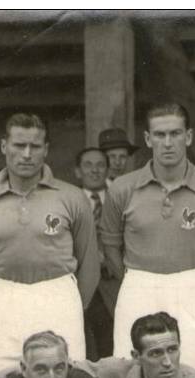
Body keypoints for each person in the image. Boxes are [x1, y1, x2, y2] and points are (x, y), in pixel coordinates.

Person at [101, 103, 195, 378]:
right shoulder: (123, 188)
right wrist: (134, 278)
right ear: (148, 139)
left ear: (188, 137)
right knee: (131, 370)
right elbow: (111, 246)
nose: (167, 143)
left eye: (175, 134)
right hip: (140, 282)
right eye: (160, 135)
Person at [0, 113, 99, 377]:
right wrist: (1, 296)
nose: (27, 154)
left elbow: (89, 262)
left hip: (58, 294)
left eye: (35, 146)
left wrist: (70, 302)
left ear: (46, 150)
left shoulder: (71, 198)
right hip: (6, 296)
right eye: (19, 145)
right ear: (4, 146)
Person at [75, 146, 118, 360]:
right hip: (81, 284)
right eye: (88, 165)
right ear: (78, 171)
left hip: (114, 285)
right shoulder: (69, 200)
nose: (95, 170)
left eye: (101, 165)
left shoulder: (119, 198)